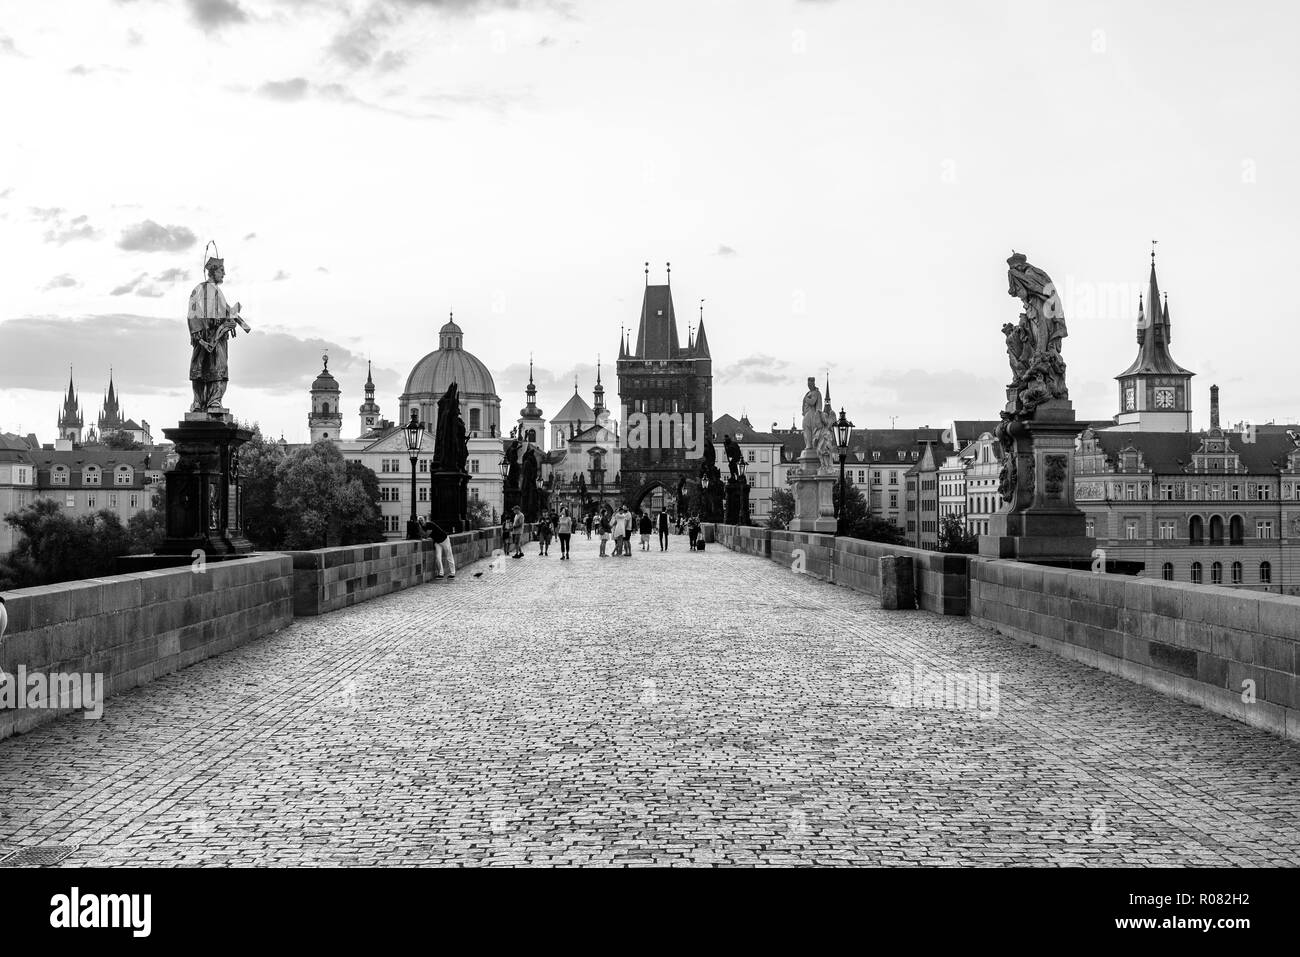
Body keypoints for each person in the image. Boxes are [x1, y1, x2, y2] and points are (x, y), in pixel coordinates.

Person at [423, 515, 455, 580]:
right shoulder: (423, 527)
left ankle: (453, 573)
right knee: (438, 557)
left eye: (421, 520)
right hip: (437, 542)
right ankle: (441, 574)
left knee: (449, 556)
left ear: (424, 520)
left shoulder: (429, 524)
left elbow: (426, 535)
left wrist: (423, 534)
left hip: (444, 539)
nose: (421, 521)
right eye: (419, 520)